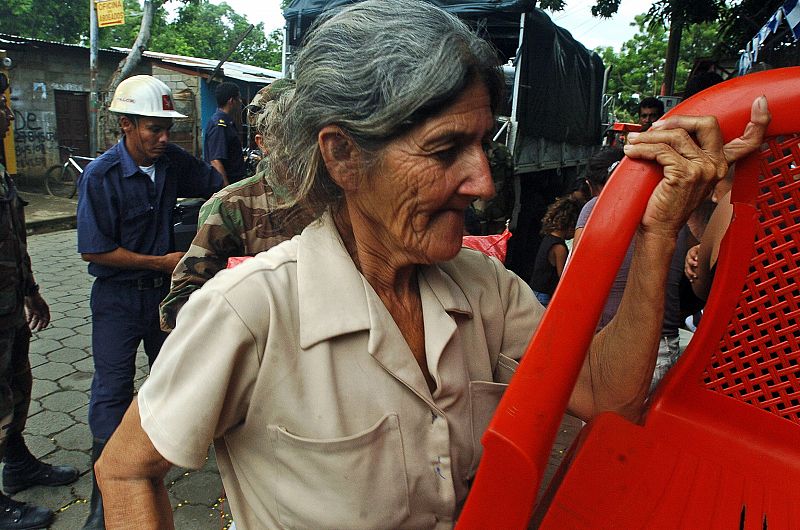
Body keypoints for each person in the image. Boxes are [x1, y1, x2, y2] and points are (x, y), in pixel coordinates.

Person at [95, 2, 764, 527]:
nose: (483, 182)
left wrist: (658, 233)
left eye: (481, 146)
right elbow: (125, 469)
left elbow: (607, 396)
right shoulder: (251, 310)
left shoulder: (485, 288)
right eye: (445, 150)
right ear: (343, 156)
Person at [76, 75, 222, 529]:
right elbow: (94, 250)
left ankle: (156, 460)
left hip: (164, 298)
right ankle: (104, 499)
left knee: (173, 375)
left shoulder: (172, 161)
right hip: (118, 301)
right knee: (112, 389)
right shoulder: (101, 176)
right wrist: (161, 262)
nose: (163, 138)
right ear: (126, 125)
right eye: (153, 129)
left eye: (167, 129)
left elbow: (217, 185)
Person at [160, 83, 316, 332]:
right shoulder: (230, 207)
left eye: (308, 132)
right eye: (289, 135)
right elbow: (181, 304)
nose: (302, 146)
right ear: (263, 143)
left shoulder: (340, 199)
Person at [0, 77, 78, 530]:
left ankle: (17, 462)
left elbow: (12, 237)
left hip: (9, 304)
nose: (8, 112)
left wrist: (30, 290)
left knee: (16, 387)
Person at [530, 196, 582, 306]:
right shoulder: (559, 247)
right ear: (570, 225)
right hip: (544, 295)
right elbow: (562, 276)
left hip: (535, 291)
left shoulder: (548, 238)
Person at [204, 82, 245, 186]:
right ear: (231, 101)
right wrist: (226, 189)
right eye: (239, 98)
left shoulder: (228, 122)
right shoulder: (219, 125)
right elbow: (215, 160)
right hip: (226, 185)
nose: (241, 102)